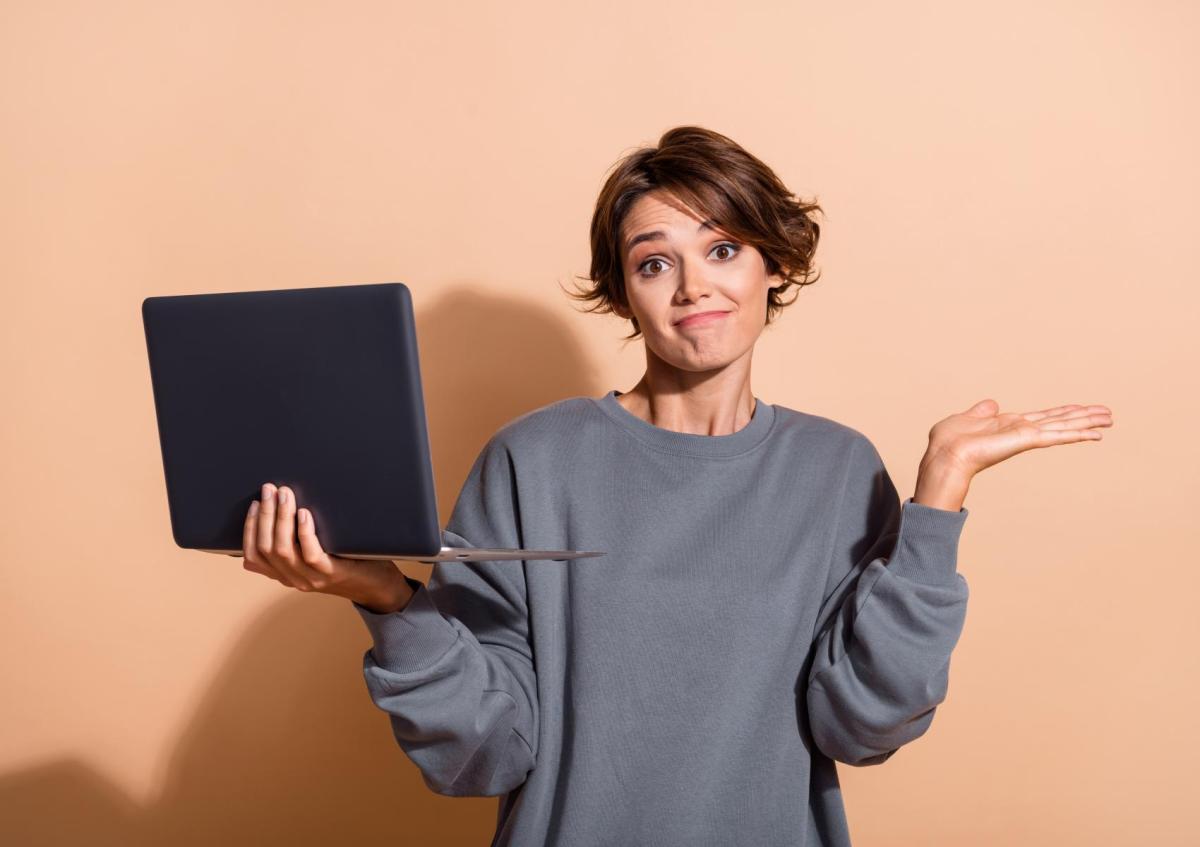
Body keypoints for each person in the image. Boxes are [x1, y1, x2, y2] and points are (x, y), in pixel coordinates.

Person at [239, 125, 1114, 846]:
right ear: (625, 291)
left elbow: (863, 726)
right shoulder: (532, 461)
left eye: (724, 249)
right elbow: (486, 755)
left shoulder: (838, 470)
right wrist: (390, 600)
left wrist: (938, 501)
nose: (695, 285)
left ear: (772, 266)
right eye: (655, 262)